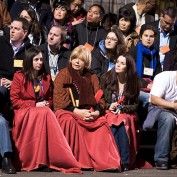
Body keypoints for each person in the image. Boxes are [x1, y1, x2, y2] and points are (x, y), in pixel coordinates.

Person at [10, 46, 82, 173]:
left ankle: (44, 159)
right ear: (29, 61)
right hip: (23, 112)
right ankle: (37, 160)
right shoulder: (19, 76)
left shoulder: (46, 78)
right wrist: (34, 104)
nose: (39, 62)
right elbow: (15, 101)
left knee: (45, 113)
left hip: (42, 112)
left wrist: (46, 104)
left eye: (41, 60)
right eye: (36, 60)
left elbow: (50, 99)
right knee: (44, 113)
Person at [53, 45, 121, 171]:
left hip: (89, 111)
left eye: (81, 59)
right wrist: (77, 112)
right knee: (69, 121)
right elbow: (59, 100)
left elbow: (99, 97)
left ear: (87, 62)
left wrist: (96, 112)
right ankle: (79, 161)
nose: (77, 62)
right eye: (74, 58)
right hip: (68, 111)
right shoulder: (63, 74)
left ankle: (106, 163)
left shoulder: (92, 77)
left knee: (101, 124)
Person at [100, 53, 140, 171]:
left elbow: (135, 105)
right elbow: (100, 100)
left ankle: (124, 161)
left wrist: (123, 108)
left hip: (125, 113)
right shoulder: (106, 78)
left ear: (128, 67)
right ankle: (116, 159)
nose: (118, 65)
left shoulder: (134, 82)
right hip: (109, 112)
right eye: (117, 62)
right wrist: (109, 105)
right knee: (113, 121)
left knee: (122, 122)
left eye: (122, 63)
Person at [143, 71, 177, 170]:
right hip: (159, 108)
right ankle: (161, 158)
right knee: (168, 119)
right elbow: (154, 99)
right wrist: (173, 105)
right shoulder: (164, 77)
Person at [129, 25, 161, 123]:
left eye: (151, 36)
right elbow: (131, 74)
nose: (148, 39)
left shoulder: (155, 53)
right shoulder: (133, 51)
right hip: (135, 86)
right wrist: (146, 84)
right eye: (146, 35)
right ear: (141, 36)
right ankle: (147, 126)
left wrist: (156, 84)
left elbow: (158, 71)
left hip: (152, 87)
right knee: (150, 99)